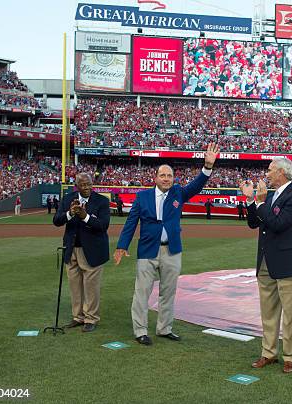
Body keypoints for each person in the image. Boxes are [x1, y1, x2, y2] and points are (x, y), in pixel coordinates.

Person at [114, 143, 220, 346]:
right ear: (155, 178)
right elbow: (130, 223)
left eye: (169, 176)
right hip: (147, 249)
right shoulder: (142, 196)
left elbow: (197, 185)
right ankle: (140, 330)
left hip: (171, 250)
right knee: (142, 292)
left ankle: (164, 328)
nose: (166, 179)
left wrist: (207, 167)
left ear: (173, 179)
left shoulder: (178, 193)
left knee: (168, 292)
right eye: (162, 175)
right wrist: (122, 245)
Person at [240, 157, 292, 374]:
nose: (266, 174)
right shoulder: (268, 196)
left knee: (290, 314)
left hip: (287, 262)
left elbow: (277, 224)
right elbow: (253, 223)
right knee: (268, 312)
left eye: (270, 170)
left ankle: (290, 356)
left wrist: (260, 203)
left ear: (282, 172)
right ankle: (268, 353)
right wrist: (251, 201)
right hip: (266, 261)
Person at [53, 173, 110, 333]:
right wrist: (70, 213)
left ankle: (91, 318)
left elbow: (103, 225)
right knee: (75, 286)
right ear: (76, 186)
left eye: (89, 184)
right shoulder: (68, 198)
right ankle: (78, 317)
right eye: (83, 185)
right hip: (71, 249)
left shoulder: (102, 201)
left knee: (91, 287)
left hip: (92, 250)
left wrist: (85, 217)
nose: (86, 188)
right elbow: (57, 221)